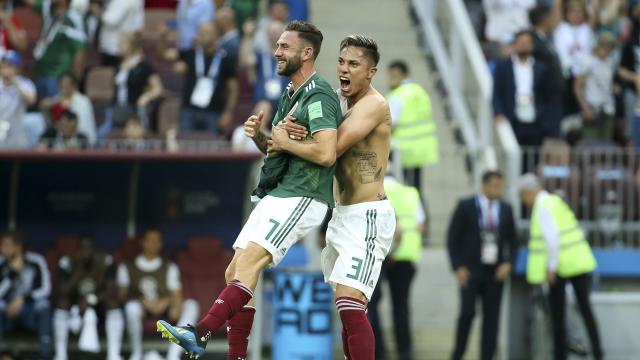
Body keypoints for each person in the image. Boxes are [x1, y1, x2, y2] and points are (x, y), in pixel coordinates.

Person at [156, 21, 341, 360]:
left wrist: (283, 140)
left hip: (304, 195)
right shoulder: (290, 95)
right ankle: (236, 356)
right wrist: (262, 139)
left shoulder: (319, 95)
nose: (276, 52)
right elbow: (280, 150)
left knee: (251, 263)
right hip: (282, 191)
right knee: (235, 270)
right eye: (278, 46)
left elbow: (327, 153)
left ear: (307, 52)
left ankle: (199, 332)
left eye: (285, 47)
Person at [280, 34, 395, 360]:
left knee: (349, 301)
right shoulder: (339, 101)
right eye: (342, 62)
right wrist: (295, 127)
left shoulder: (374, 104)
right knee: (347, 308)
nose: (344, 69)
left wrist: (290, 141)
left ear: (371, 72)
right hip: (343, 214)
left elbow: (328, 150)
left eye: (354, 64)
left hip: (368, 214)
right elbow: (308, 132)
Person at [519, 173, 603, 360]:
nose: (524, 201)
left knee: (558, 317)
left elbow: (552, 239)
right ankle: (598, 353)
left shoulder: (542, 206)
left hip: (560, 267)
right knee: (586, 312)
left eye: (523, 196)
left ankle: (560, 356)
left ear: (529, 192)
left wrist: (551, 267)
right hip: (579, 263)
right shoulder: (555, 200)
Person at [447, 171, 518, 360]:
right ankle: (458, 354)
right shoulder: (466, 206)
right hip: (470, 269)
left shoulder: (506, 209)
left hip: (494, 271)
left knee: (492, 319)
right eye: (494, 185)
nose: (498, 189)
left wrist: (509, 264)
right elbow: (452, 238)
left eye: (500, 186)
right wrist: (458, 267)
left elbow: (514, 240)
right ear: (484, 185)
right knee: (467, 313)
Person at [368, 170, 425, 360]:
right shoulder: (410, 192)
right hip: (405, 257)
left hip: (377, 255)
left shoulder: (372, 189)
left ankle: (378, 352)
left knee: (372, 307)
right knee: (401, 307)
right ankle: (405, 352)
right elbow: (421, 225)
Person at [118, 229, 199, 360]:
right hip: (140, 308)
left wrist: (168, 303)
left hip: (164, 308)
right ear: (142, 242)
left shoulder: (169, 267)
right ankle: (136, 353)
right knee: (131, 308)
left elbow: (177, 296)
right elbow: (121, 296)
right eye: (150, 240)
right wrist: (142, 301)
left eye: (157, 241)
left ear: (161, 244)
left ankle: (173, 355)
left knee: (192, 305)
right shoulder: (127, 267)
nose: (153, 244)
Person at [53, 236, 123, 360]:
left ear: (94, 249)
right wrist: (78, 272)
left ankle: (114, 355)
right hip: (75, 305)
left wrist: (91, 300)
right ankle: (60, 355)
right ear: (77, 250)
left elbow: (111, 290)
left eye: (89, 248)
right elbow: (63, 291)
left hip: (98, 303)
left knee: (113, 304)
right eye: (83, 248)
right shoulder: (67, 261)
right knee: (62, 304)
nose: (86, 252)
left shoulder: (105, 261)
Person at [493, 30, 553, 149]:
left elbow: (548, 96)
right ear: (514, 44)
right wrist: (499, 113)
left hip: (535, 118)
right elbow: (497, 92)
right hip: (512, 117)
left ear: (532, 46)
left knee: (532, 156)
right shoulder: (503, 66)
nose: (523, 45)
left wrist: (546, 120)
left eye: (527, 42)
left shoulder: (541, 68)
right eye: (520, 42)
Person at [387, 60, 438, 195]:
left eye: (393, 76)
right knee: (416, 188)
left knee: (406, 190)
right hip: (420, 148)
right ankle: (421, 215)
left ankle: (415, 215)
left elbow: (390, 124)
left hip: (404, 149)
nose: (391, 80)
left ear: (403, 75)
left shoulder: (398, 95)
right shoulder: (419, 91)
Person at [177, 22, 238, 135]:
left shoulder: (225, 58)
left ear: (215, 36)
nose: (201, 36)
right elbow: (166, 55)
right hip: (189, 110)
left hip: (213, 112)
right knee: (185, 145)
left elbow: (233, 89)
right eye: (200, 32)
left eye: (206, 33)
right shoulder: (190, 54)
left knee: (211, 147)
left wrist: (228, 112)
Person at [0, 232, 52, 360]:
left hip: (30, 310)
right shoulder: (1, 262)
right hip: (7, 311)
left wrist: (23, 300)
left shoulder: (36, 260)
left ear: (18, 247)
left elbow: (46, 289)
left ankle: (45, 355)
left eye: (7, 245)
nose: (2, 248)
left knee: (44, 304)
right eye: (1, 245)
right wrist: (12, 273)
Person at [25, 0, 87, 99]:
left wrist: (74, 80)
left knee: (55, 111)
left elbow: (79, 52)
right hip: (40, 71)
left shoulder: (74, 19)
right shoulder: (47, 7)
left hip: (58, 76)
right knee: (42, 109)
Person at [111, 31, 164, 129]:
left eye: (122, 43)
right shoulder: (118, 66)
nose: (118, 46)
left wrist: (146, 97)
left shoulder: (143, 66)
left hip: (135, 110)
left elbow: (158, 89)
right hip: (118, 108)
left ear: (131, 45)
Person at [529, 1, 564, 138]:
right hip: (544, 99)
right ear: (544, 19)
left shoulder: (548, 39)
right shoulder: (533, 42)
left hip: (554, 98)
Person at [573, 32, 617, 141]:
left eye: (610, 48)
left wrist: (613, 87)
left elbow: (607, 82)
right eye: (605, 47)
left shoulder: (610, 61)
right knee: (590, 143)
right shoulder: (587, 61)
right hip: (592, 107)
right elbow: (577, 86)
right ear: (598, 45)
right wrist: (585, 107)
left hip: (608, 107)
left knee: (606, 143)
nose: (607, 51)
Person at [40, 73, 97, 145]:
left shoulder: (83, 101)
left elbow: (82, 126)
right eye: (62, 86)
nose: (64, 88)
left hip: (81, 140)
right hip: (61, 139)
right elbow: (45, 109)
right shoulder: (56, 99)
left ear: (74, 86)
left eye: (67, 85)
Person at [0, 50, 36, 149]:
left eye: (10, 66)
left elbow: (32, 100)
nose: (6, 69)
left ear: (17, 69)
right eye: (4, 65)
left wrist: (14, 83)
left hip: (17, 133)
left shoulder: (24, 83)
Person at [97, 0, 144, 67]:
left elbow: (111, 20)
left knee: (115, 73)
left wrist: (97, 12)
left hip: (115, 47)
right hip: (126, 45)